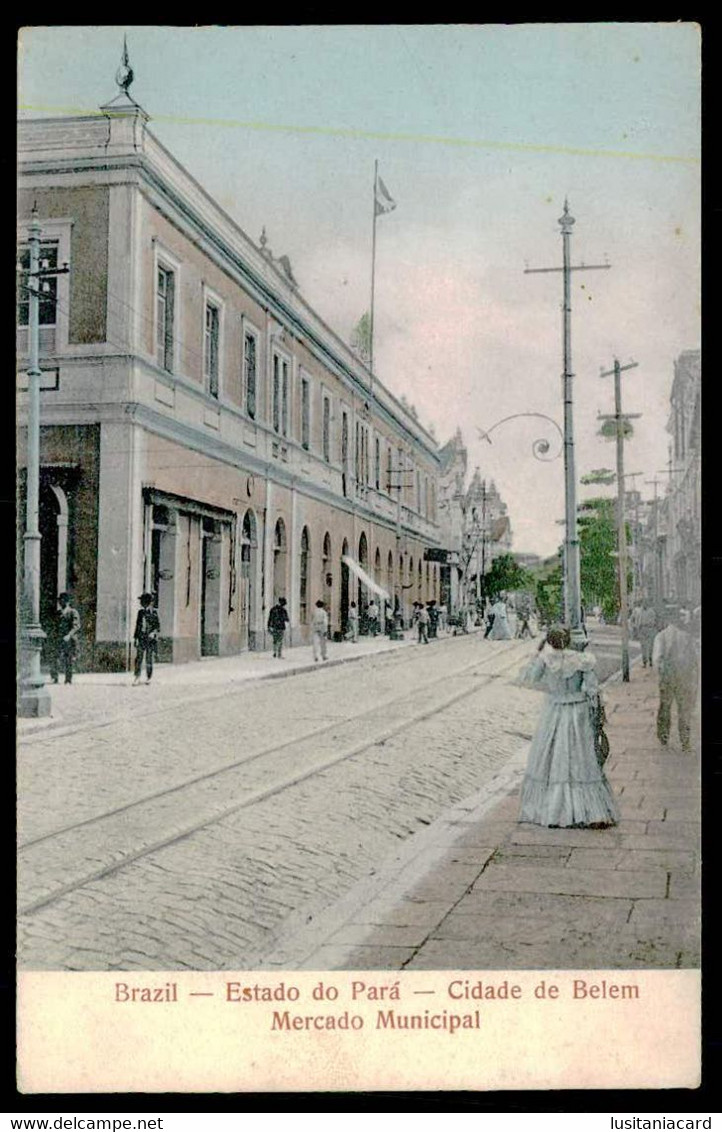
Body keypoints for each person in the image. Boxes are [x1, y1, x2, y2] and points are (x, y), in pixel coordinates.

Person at [518, 627, 619, 829]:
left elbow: (528, 677)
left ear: (549, 642)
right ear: (569, 640)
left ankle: (553, 809)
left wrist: (537, 652)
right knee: (579, 757)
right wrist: (596, 714)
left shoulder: (546, 661)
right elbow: (592, 690)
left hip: (554, 711)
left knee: (553, 756)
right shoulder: (582, 660)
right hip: (577, 712)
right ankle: (589, 809)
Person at [652, 608, 698, 753]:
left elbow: (657, 659)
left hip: (667, 678)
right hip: (683, 678)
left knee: (665, 707)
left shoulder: (661, 637)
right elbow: (694, 661)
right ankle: (685, 740)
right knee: (684, 710)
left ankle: (663, 736)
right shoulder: (687, 637)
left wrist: (661, 675)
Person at [50, 592, 81, 684]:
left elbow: (76, 626)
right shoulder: (58, 613)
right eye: (59, 600)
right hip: (59, 639)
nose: (60, 602)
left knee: (69, 659)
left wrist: (69, 635)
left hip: (69, 640)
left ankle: (68, 679)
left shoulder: (73, 612)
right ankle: (54, 677)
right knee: (55, 658)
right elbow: (55, 626)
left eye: (62, 600)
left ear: (67, 602)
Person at [133, 592, 160, 685]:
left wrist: (153, 633)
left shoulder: (154, 612)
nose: (141, 603)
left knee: (149, 658)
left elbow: (157, 627)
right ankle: (137, 676)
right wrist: (135, 638)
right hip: (141, 638)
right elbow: (137, 626)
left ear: (147, 602)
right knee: (139, 658)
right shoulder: (140, 613)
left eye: (142, 601)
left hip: (150, 639)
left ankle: (149, 677)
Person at [635, 600, 658, 668]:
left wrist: (651, 626)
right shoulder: (639, 611)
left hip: (649, 629)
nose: (644, 605)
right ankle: (644, 662)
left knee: (650, 646)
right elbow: (637, 620)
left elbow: (654, 620)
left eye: (645, 603)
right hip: (642, 629)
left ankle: (650, 660)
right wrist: (637, 629)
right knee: (643, 646)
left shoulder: (651, 611)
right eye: (643, 603)